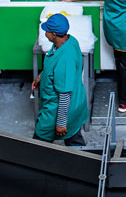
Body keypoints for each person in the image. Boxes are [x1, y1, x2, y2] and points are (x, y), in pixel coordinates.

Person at [31, 14, 89, 146]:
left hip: (57, 110)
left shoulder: (65, 59)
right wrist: (42, 76)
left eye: (47, 30)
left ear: (54, 34)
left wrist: (61, 123)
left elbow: (64, 94)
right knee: (74, 138)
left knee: (39, 143)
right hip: (76, 105)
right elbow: (54, 65)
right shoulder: (69, 41)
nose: (45, 32)